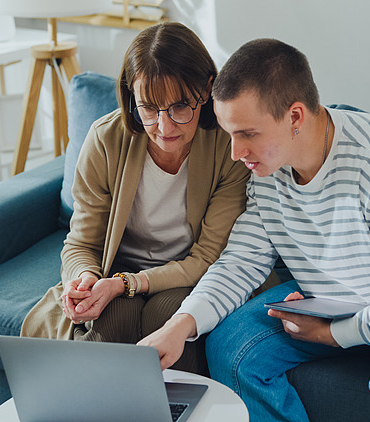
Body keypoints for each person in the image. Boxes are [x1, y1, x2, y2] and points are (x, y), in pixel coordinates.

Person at [139, 38, 370, 420]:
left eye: (248, 134)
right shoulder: (267, 170)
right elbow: (241, 261)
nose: (236, 153)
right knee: (229, 347)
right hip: (338, 295)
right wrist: (180, 325)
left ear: (295, 117)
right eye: (229, 133)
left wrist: (337, 333)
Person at [20, 22, 250, 375]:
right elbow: (82, 242)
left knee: (166, 316)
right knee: (110, 319)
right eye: (149, 109)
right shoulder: (105, 139)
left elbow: (208, 258)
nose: (165, 126)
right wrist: (82, 280)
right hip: (117, 271)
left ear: (206, 90)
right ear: (131, 98)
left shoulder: (228, 145)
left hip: (191, 275)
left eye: (180, 107)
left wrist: (127, 284)